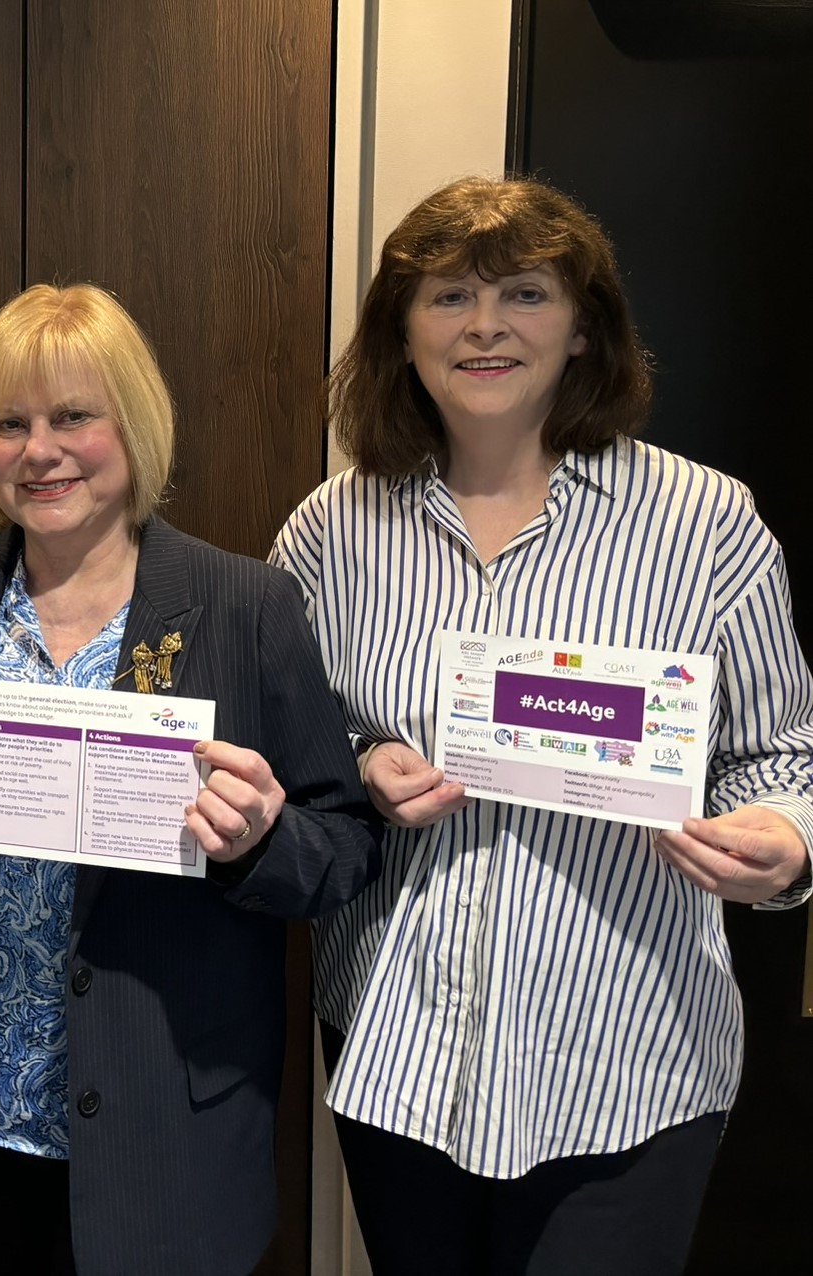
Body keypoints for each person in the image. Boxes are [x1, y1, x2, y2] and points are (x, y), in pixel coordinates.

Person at [271, 176, 813, 1275]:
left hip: (626, 1054)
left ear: (581, 330)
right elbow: (289, 741)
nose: (483, 326)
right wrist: (364, 759)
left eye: (523, 293)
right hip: (401, 1045)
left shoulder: (704, 522)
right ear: (400, 332)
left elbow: (778, 753)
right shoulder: (332, 528)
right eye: (446, 297)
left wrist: (786, 843)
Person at [0, 283, 381, 1276]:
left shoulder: (241, 605)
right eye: (9, 423)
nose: (38, 450)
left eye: (73, 415)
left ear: (131, 424)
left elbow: (343, 848)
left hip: (166, 1131)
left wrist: (259, 838)